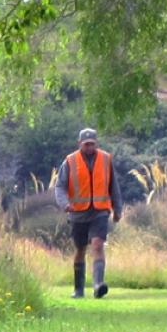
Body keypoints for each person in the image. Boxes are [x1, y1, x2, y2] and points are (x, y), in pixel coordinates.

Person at [55, 128, 123, 298]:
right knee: (80, 249)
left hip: (100, 211)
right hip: (77, 213)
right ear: (79, 144)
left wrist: (117, 209)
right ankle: (78, 290)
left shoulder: (106, 159)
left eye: (92, 144)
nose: (89, 147)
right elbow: (60, 186)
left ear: (96, 143)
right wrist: (64, 204)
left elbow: (113, 186)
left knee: (98, 245)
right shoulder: (70, 161)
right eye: (86, 144)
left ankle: (98, 285)